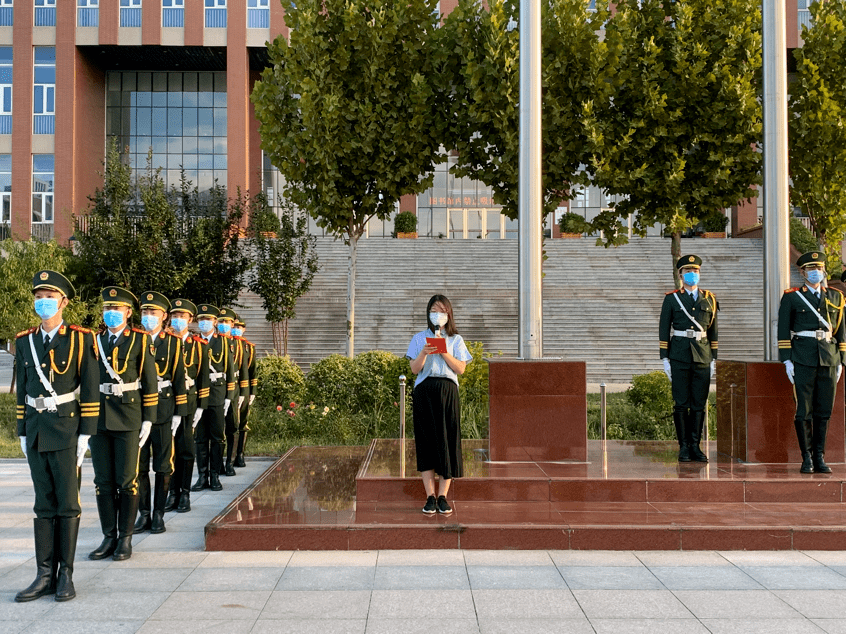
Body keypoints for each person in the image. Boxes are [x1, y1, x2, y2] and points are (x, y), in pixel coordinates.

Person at [15, 270, 99, 603]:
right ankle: (44, 574)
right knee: (42, 503)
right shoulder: (25, 341)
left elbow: (90, 389)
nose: (43, 303)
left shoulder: (81, 339)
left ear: (64, 302)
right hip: (36, 430)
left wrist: (85, 435)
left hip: (66, 428)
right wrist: (22, 430)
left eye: (50, 297)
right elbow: (22, 390)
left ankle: (66, 575)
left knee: (66, 503)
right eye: (39, 297)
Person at [88, 287, 158, 562]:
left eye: (117, 309)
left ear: (129, 313)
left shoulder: (140, 340)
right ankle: (108, 537)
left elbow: (150, 381)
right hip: (99, 418)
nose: (111, 314)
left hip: (129, 417)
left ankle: (125, 539)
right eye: (107, 309)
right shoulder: (93, 340)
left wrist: (149, 419)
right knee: (103, 481)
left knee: (127, 481)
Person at [779, 251, 846, 473]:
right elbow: (783, 331)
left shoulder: (836, 296)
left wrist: (841, 360)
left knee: (824, 410)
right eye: (810, 268)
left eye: (818, 268)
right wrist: (787, 360)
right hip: (803, 357)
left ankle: (819, 457)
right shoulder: (792, 297)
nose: (815, 272)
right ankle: (806, 456)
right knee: (803, 410)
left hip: (828, 357)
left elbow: (842, 331)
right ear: (802, 272)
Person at [406, 295, 473, 515]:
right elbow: (415, 369)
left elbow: (461, 369)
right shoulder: (418, 338)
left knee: (447, 439)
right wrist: (424, 352)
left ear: (449, 314)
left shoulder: (456, 339)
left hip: (447, 391)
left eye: (442, 310)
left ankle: (443, 496)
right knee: (426, 441)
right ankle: (430, 496)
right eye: (434, 310)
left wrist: (443, 351)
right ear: (428, 313)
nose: (438, 314)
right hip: (425, 390)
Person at [134, 292, 187, 534]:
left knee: (164, 464)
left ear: (163, 316)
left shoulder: (173, 342)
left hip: (164, 408)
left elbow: (178, 379)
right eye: (145, 312)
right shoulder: (134, 339)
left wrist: (179, 411)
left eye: (153, 312)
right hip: (137, 408)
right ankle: (143, 513)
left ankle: (158, 514)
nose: (148, 317)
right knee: (139, 465)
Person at [659, 255, 718, 463]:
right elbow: (664, 329)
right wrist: (664, 358)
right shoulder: (672, 299)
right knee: (681, 403)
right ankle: (683, 446)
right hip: (680, 355)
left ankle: (696, 445)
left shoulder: (709, 299)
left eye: (696, 271)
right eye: (688, 272)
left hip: (702, 355)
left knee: (699, 403)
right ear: (680, 275)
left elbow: (713, 332)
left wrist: (714, 359)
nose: (692, 275)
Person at [164, 299, 209, 513]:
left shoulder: (198, 346)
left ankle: (184, 493)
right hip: (166, 401)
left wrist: (201, 405)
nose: (177, 320)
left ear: (190, 320)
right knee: (167, 451)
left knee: (185, 449)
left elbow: (203, 377)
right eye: (174, 316)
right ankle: (171, 493)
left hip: (189, 403)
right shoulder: (163, 342)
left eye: (182, 316)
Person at [191, 304, 236, 492]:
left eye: (207, 320)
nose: (204, 323)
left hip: (217, 394)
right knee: (200, 438)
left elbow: (231, 371)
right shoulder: (193, 342)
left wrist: (229, 396)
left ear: (215, 322)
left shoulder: (224, 342)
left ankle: (215, 475)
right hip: (197, 395)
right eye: (201, 320)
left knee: (217, 437)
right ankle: (202, 476)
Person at [216, 307, 243, 477]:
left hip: (232, 389)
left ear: (232, 324)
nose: (224, 325)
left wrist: (242, 392)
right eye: (221, 322)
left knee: (232, 426)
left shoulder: (237, 344)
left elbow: (242, 369)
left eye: (227, 322)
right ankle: (217, 463)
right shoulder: (211, 342)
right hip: (216, 390)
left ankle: (230, 462)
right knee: (217, 430)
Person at [231, 318, 256, 468]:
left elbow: (252, 370)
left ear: (244, 329)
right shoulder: (227, 343)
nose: (236, 329)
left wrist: (252, 391)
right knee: (230, 423)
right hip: (229, 387)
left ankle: (240, 454)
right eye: (234, 326)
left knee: (243, 422)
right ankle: (230, 455)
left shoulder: (248, 348)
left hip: (244, 389)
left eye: (240, 327)